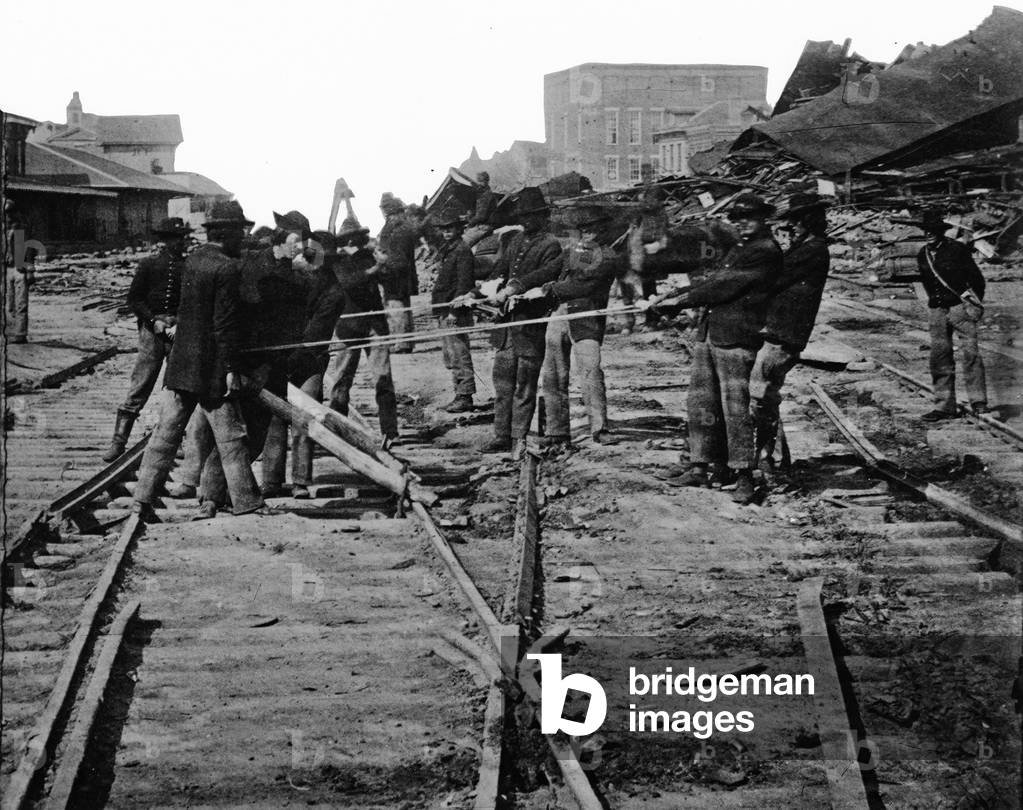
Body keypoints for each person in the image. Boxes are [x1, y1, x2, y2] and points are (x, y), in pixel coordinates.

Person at [130, 200, 270, 523]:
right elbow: (224, 325)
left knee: (165, 435)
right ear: (227, 233)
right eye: (239, 232)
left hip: (181, 366)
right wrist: (232, 369)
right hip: (211, 371)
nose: (242, 239)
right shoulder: (227, 268)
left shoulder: (193, 260)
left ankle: (141, 500)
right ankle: (247, 501)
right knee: (232, 437)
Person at [656, 193, 781, 504]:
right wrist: (675, 294)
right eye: (737, 219)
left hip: (738, 338)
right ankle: (700, 466)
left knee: (736, 410)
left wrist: (681, 300)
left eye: (749, 218)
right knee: (702, 405)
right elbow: (713, 280)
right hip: (712, 334)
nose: (743, 224)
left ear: (764, 218)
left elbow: (724, 287)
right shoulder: (740, 248)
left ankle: (743, 475)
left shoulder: (765, 251)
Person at [750, 192, 831, 472]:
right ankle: (772, 458)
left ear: (809, 220)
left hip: (784, 335)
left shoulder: (813, 250)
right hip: (779, 332)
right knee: (764, 396)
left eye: (797, 221)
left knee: (761, 396)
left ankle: (769, 459)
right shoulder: (805, 247)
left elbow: (773, 278)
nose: (792, 226)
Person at [482, 187, 563, 456]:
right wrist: (484, 288)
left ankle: (519, 437)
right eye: (523, 215)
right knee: (502, 384)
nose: (527, 220)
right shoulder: (515, 240)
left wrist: (515, 287)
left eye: (532, 215)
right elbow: (500, 268)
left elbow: (545, 273)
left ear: (542, 216)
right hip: (506, 329)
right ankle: (500, 434)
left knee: (525, 387)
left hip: (529, 327)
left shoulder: (550, 244)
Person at [102, 217, 191, 462]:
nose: (180, 243)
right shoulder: (149, 265)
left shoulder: (187, 267)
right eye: (175, 239)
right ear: (165, 241)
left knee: (177, 388)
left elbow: (190, 301)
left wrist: (179, 323)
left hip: (178, 333)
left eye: (181, 238)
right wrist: (154, 322)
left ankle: (174, 440)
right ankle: (118, 443)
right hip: (152, 332)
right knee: (140, 384)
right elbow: (134, 300)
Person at [539, 206, 621, 449]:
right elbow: (548, 269)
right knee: (554, 373)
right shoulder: (569, 252)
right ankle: (556, 430)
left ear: (602, 231)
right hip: (559, 315)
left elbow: (582, 285)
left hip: (586, 320)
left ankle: (600, 427)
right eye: (583, 230)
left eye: (592, 230)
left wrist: (549, 289)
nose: (587, 235)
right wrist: (518, 284)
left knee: (591, 372)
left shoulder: (607, 256)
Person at [325, 215, 400, 440]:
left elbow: (390, 281)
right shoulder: (337, 262)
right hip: (348, 327)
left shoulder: (369, 257)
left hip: (375, 326)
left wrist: (386, 266)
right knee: (341, 379)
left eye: (359, 237)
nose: (358, 241)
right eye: (354, 238)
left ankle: (390, 431)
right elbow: (349, 282)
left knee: (383, 379)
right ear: (347, 241)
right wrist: (375, 268)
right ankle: (336, 428)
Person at [286, 230, 347, 498]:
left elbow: (316, 334)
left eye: (313, 258)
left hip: (308, 360)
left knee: (304, 417)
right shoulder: (291, 278)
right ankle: (271, 481)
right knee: (275, 424)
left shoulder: (333, 292)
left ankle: (299, 480)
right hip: (282, 356)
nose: (307, 262)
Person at [913, 208, 988, 420]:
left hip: (959, 308)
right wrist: (933, 304)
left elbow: (977, 279)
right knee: (939, 356)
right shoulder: (922, 254)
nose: (929, 234)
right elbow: (926, 283)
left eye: (933, 230)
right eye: (926, 230)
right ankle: (944, 406)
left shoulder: (957, 249)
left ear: (941, 231)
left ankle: (979, 402)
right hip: (937, 310)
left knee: (971, 354)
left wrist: (973, 303)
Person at [430, 201, 478, 413]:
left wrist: (454, 311)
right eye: (444, 228)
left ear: (459, 229)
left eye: (450, 228)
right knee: (450, 354)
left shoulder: (462, 250)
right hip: (444, 308)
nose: (447, 232)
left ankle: (465, 396)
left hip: (455, 309)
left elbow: (464, 283)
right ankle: (458, 392)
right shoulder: (448, 249)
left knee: (459, 353)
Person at [377, 193, 418, 353]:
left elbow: (398, 257)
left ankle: (402, 343)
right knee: (399, 307)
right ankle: (404, 342)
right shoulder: (401, 227)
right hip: (398, 274)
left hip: (395, 275)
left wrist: (382, 259)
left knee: (396, 308)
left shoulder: (397, 230)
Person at [4, 199, 36, 344]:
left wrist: (30, 271)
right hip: (6, 269)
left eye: (10, 212)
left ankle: (20, 334)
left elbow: (29, 250)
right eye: (6, 213)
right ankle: (10, 331)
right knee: (9, 304)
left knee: (21, 303)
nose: (8, 216)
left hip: (20, 269)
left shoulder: (21, 229)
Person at [464, 171, 497, 247]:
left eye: (481, 181)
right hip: (482, 225)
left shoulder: (485, 196)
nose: (479, 184)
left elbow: (481, 217)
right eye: (478, 181)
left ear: (486, 181)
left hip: (484, 227)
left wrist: (469, 224)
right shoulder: (484, 194)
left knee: (462, 244)